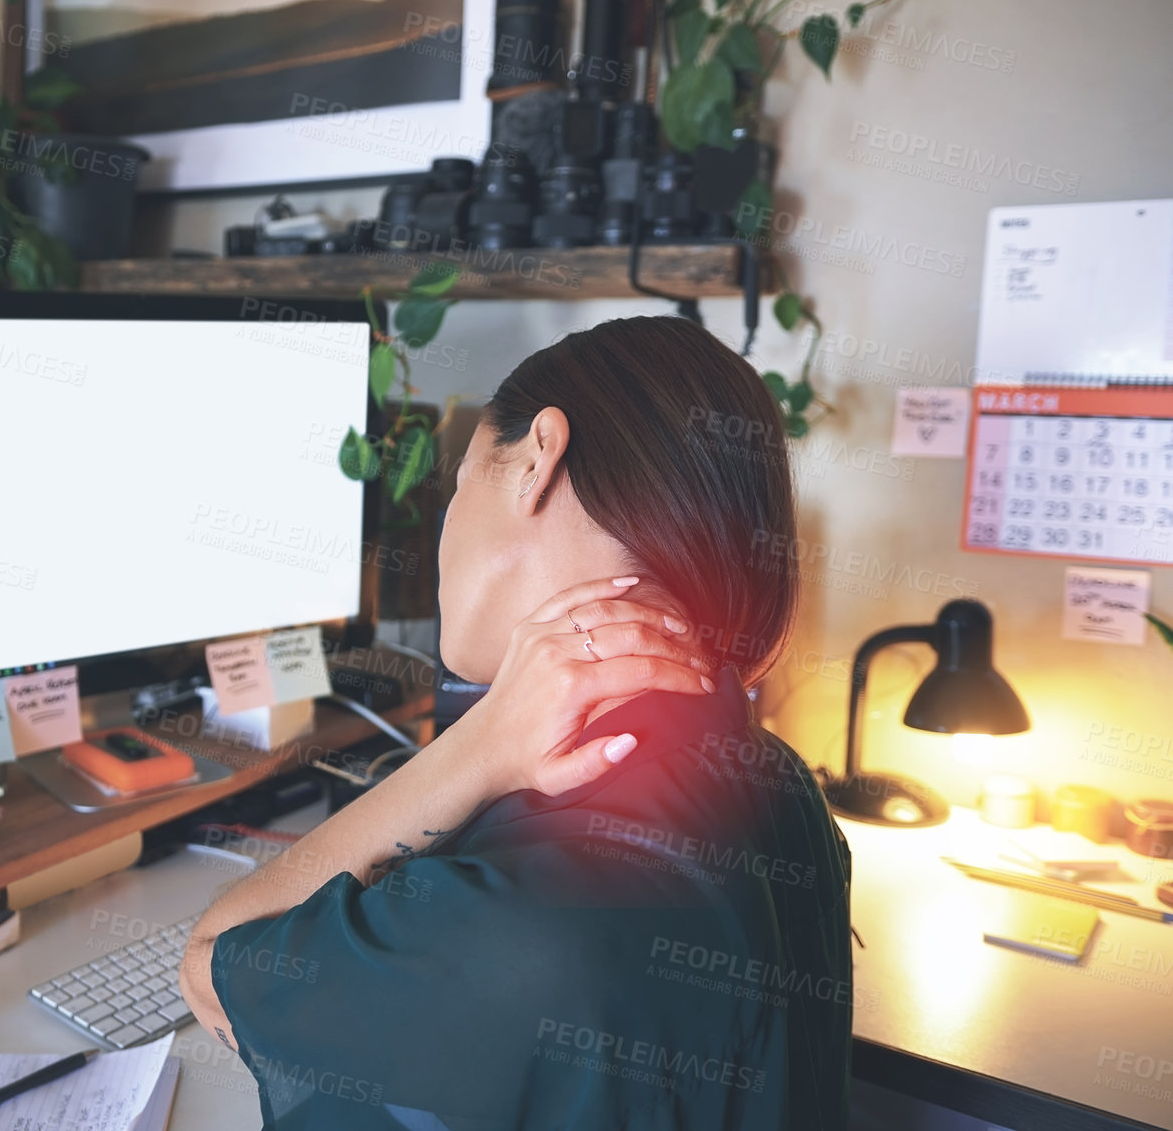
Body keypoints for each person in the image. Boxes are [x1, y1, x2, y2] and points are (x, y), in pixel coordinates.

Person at [179, 315, 853, 1130]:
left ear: (537, 457)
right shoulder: (779, 779)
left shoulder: (512, 916)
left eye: (460, 481)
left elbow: (216, 963)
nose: (445, 523)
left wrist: (483, 744)